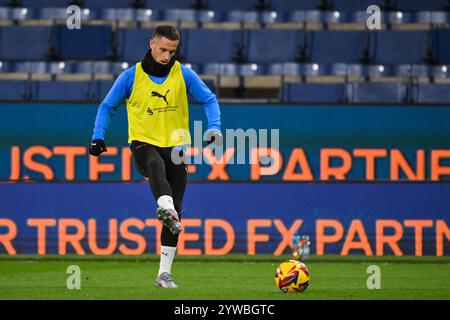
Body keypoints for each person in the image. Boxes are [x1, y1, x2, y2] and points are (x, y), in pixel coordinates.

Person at [88, 25, 222, 288]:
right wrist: (98, 136)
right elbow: (107, 106)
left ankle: (163, 274)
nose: (166, 55)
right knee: (154, 165)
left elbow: (209, 99)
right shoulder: (131, 76)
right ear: (152, 44)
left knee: (176, 214)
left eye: (171, 51)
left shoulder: (183, 74)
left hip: (176, 149)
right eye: (162, 49)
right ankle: (166, 207)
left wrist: (215, 127)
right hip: (143, 144)